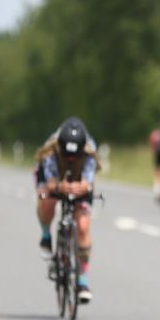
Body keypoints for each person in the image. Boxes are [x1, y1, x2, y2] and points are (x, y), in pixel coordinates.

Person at [34, 117, 100, 303]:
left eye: (75, 155)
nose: (71, 158)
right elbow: (49, 181)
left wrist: (82, 187)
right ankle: (46, 235)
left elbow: (88, 180)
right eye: (67, 154)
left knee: (83, 226)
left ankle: (83, 282)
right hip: (54, 179)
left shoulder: (90, 149)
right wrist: (57, 187)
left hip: (79, 180)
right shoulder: (51, 148)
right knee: (45, 200)